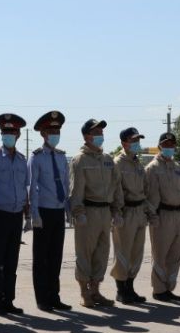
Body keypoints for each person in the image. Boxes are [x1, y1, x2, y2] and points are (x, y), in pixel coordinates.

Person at [0, 113, 30, 315]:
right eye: (5, 132)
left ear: (18, 134)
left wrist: (28, 216)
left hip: (16, 215)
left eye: (11, 132)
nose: (8, 135)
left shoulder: (21, 160)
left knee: (11, 262)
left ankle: (8, 300)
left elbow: (24, 188)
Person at [69, 118, 119, 307]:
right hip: (88, 212)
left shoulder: (107, 160)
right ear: (86, 136)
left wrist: (117, 210)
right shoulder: (80, 159)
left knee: (102, 252)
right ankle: (84, 293)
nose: (100, 136)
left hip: (105, 212)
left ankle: (96, 290)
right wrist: (78, 211)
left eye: (101, 132)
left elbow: (116, 186)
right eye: (96, 132)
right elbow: (76, 190)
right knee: (85, 253)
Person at [28, 111, 71, 311]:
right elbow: (32, 187)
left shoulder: (62, 157)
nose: (55, 134)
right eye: (51, 130)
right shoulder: (36, 157)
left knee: (55, 257)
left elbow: (65, 185)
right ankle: (42, 298)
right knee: (41, 258)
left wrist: (68, 210)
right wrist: (34, 214)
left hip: (58, 211)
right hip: (43, 212)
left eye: (57, 130)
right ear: (43, 133)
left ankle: (54, 296)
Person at [144, 131, 180, 301]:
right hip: (161, 215)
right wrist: (152, 215)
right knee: (160, 254)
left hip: (177, 215)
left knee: (175, 254)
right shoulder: (153, 168)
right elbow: (148, 194)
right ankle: (159, 289)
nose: (169, 147)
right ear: (160, 145)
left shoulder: (178, 168)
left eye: (172, 144)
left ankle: (169, 287)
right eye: (166, 144)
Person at [110, 127, 149, 303]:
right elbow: (115, 189)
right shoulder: (118, 163)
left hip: (139, 211)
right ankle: (121, 290)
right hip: (125, 212)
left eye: (137, 141)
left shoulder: (138, 164)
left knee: (136, 253)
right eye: (133, 141)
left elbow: (144, 189)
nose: (136, 144)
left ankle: (130, 287)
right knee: (123, 252)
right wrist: (116, 212)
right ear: (124, 143)